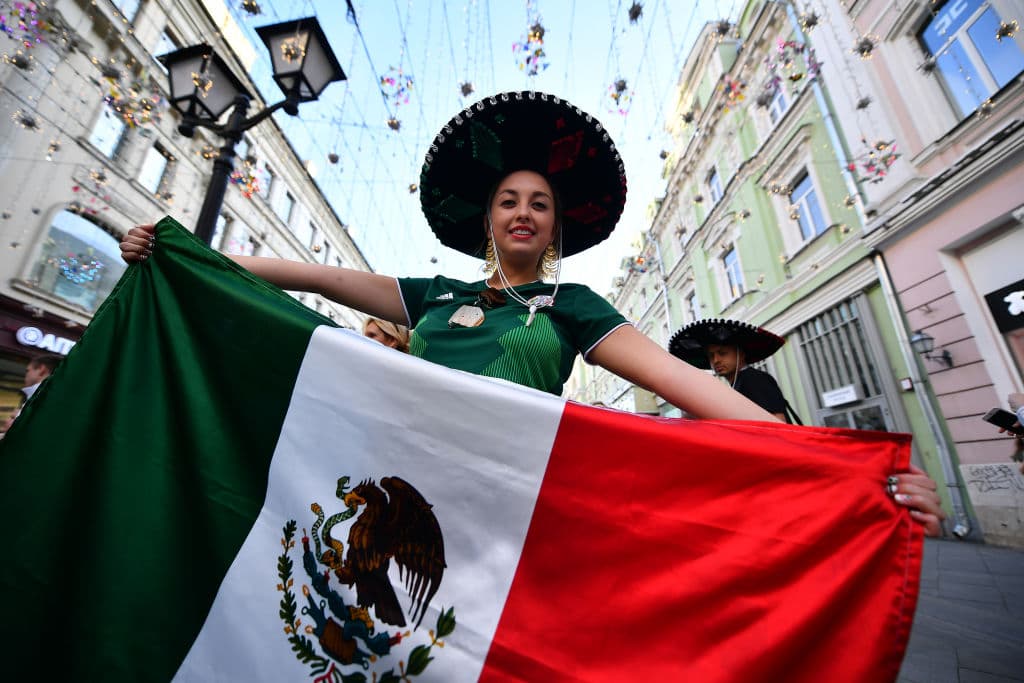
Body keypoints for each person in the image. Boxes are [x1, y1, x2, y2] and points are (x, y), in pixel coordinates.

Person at [119, 90, 944, 535]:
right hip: (390, 482)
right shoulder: (435, 295)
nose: (523, 211)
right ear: (488, 220)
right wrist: (188, 256)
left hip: (501, 505)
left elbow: (685, 383)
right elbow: (322, 278)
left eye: (539, 203)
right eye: (508, 200)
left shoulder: (572, 305)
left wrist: (849, 467)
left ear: (555, 227)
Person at [669, 319, 797, 423]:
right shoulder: (739, 383)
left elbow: (778, 424)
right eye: (711, 356)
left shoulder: (753, 379)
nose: (716, 360)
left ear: (741, 354)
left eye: (722, 353)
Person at [1, 354, 62, 435]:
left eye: (28, 371)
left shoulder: (38, 399)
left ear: (42, 370)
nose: (26, 375)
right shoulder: (58, 401)